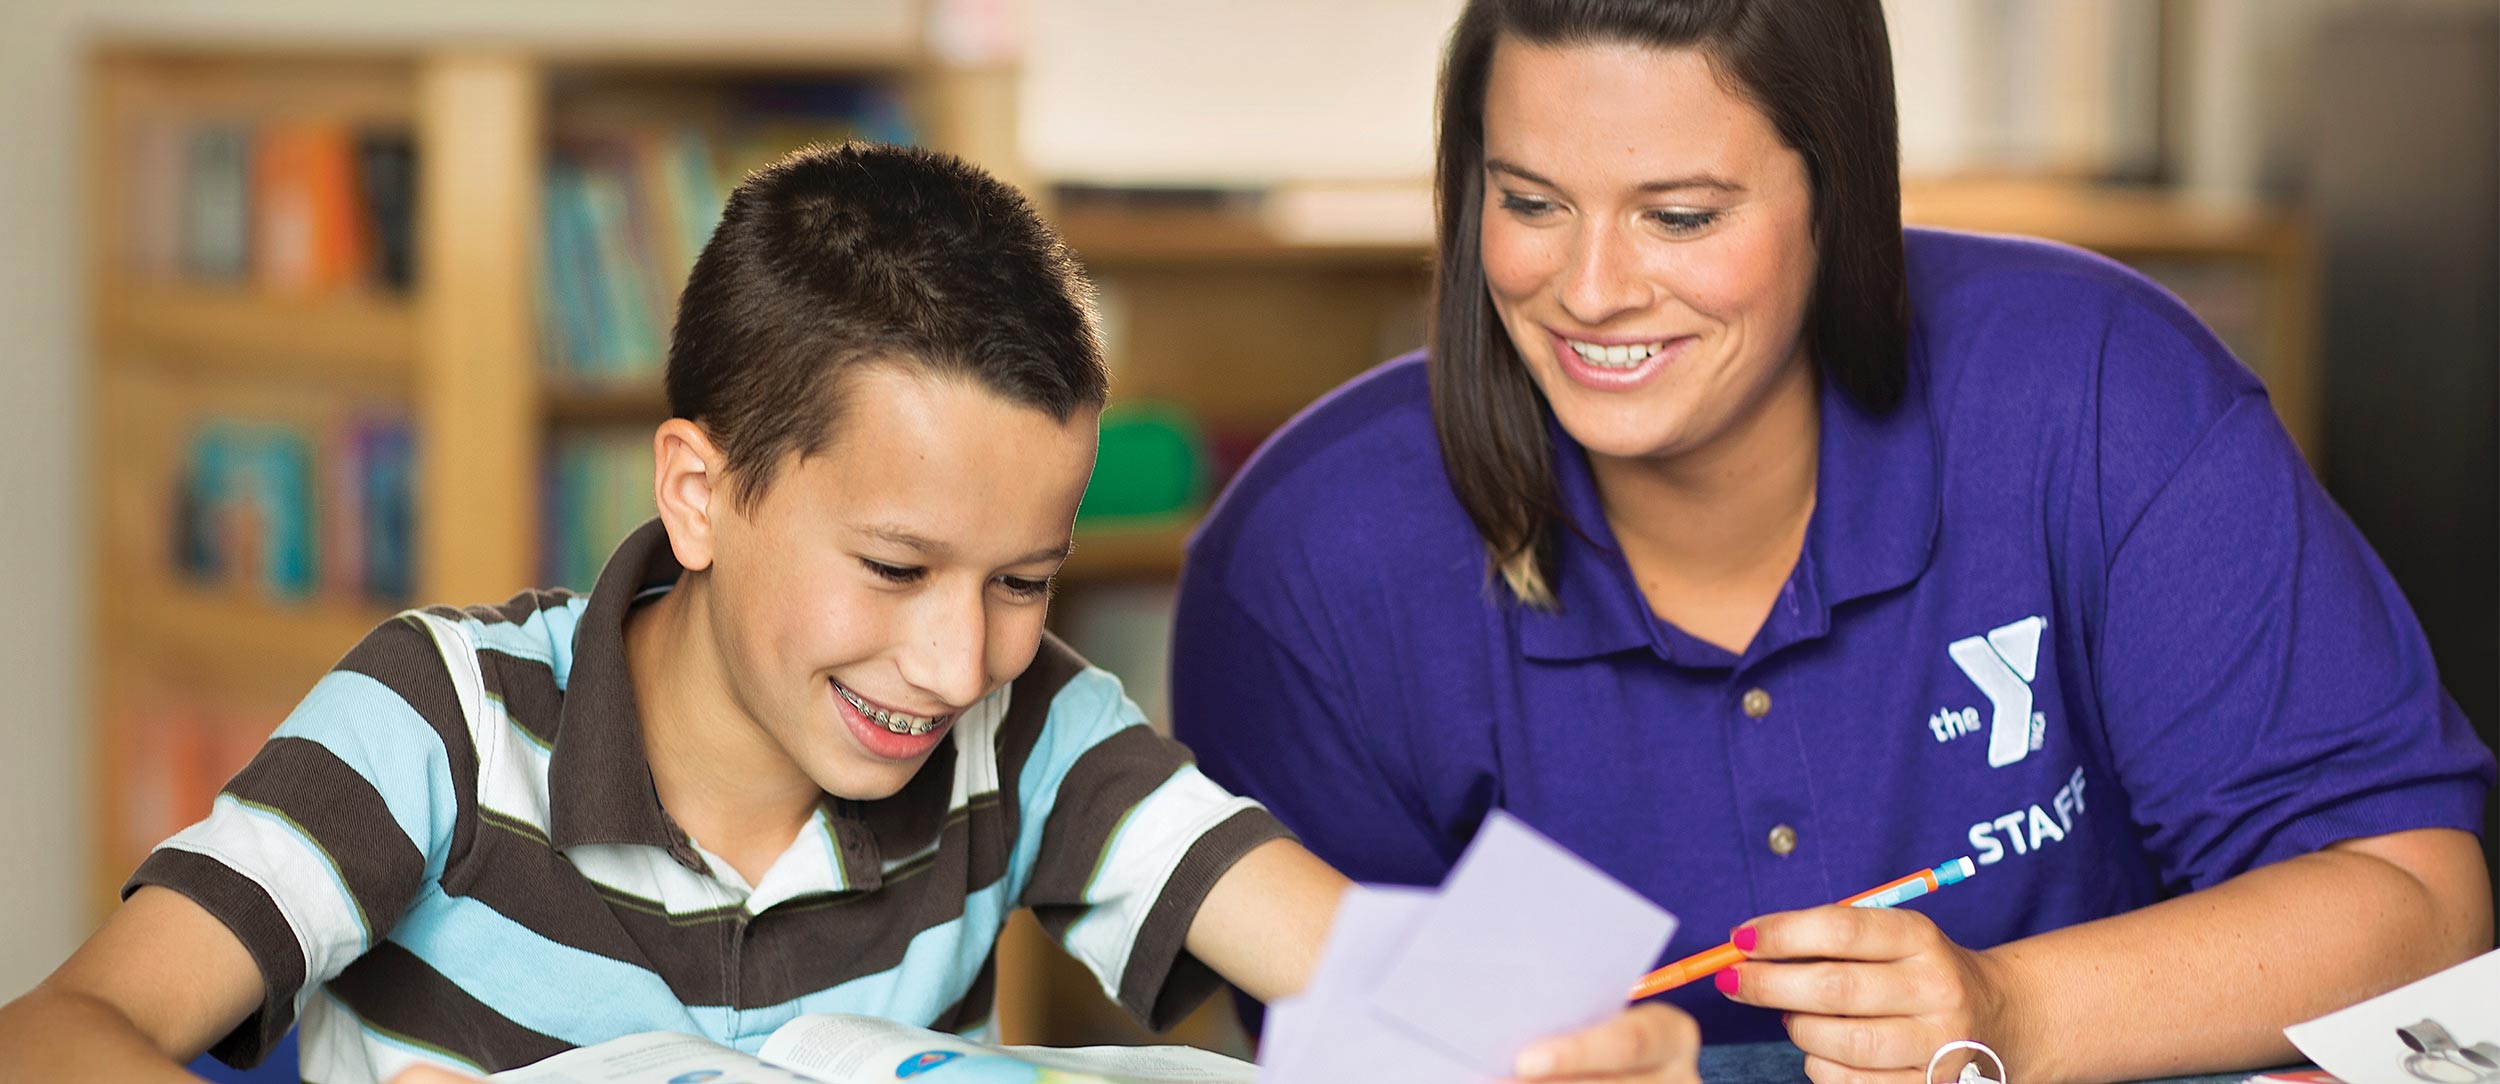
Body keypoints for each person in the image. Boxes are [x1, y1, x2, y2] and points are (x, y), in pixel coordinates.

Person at [0, 143, 1698, 1084]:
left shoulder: (1029, 736)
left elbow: (1362, 970)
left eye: (1024, 582)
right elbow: (65, 1031)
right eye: (893, 570)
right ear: (701, 495)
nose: (958, 663)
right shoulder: (437, 727)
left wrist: (1551, 1038)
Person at [1168, 2, 2497, 1083]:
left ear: (1838, 197)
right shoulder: (1306, 564)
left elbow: (2419, 905)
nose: (1588, 291)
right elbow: (1337, 1043)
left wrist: (2008, 1012)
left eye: (1681, 216)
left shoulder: (2100, 392)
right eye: (1529, 203)